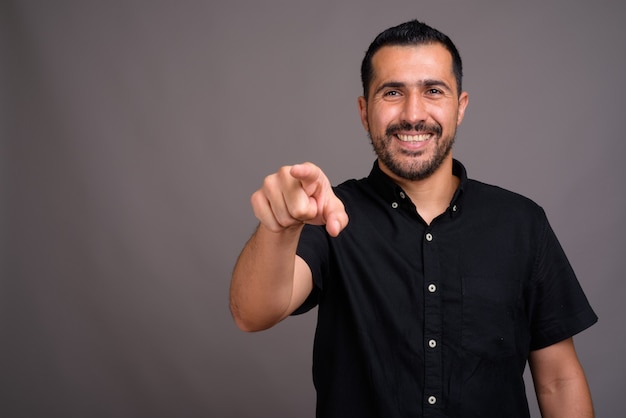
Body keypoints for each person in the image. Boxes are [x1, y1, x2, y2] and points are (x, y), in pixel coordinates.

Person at [230, 19, 597, 418]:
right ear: (364, 111)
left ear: (460, 107)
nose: (413, 114)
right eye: (392, 92)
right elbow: (252, 313)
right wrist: (279, 227)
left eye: (433, 91)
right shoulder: (329, 215)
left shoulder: (522, 223)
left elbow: (559, 379)